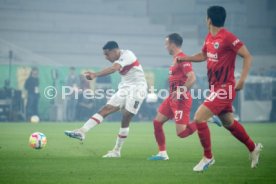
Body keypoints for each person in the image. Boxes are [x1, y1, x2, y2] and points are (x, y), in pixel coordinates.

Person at [177, 6, 262, 171]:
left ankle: (208, 157)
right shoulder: (209, 37)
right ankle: (253, 148)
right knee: (228, 122)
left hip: (225, 88)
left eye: (205, 17)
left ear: (208, 19)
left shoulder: (228, 37)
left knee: (199, 117)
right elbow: (203, 55)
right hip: (215, 88)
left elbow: (247, 55)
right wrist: (185, 58)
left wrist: (242, 80)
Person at [65, 41, 148, 158]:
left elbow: (114, 68)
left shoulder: (128, 55)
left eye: (107, 54)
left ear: (115, 51)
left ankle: (117, 150)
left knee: (126, 116)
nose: (106, 57)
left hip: (138, 88)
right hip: (125, 87)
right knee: (106, 109)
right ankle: (82, 131)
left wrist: (94, 75)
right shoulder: (118, 58)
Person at [148, 33, 196, 160]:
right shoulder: (175, 59)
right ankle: (162, 153)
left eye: (166, 43)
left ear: (172, 44)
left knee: (182, 133)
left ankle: (205, 119)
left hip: (181, 99)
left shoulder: (183, 58)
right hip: (172, 98)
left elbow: (192, 78)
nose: (165, 47)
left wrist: (180, 91)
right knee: (157, 123)